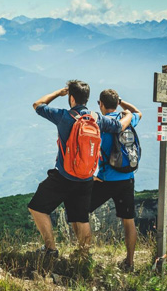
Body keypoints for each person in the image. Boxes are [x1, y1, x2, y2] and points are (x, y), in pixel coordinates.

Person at [28, 80, 133, 258]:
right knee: (81, 217)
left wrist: (57, 93)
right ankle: (84, 256)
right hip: (86, 178)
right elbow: (120, 125)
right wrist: (129, 114)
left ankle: (51, 249)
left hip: (63, 176)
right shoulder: (97, 119)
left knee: (37, 207)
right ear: (88, 98)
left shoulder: (63, 116)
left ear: (71, 98)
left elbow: (38, 104)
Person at [90, 89, 142, 271]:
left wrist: (93, 175)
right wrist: (122, 103)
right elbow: (138, 112)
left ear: (101, 104)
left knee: (79, 211)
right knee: (128, 220)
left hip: (105, 180)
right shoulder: (127, 119)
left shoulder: (101, 124)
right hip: (127, 178)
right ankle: (130, 262)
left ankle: (83, 254)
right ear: (116, 102)